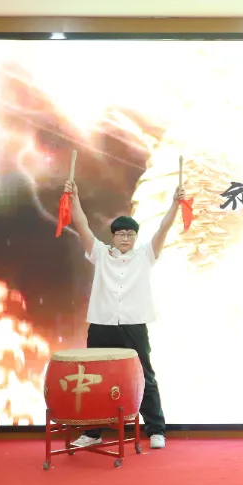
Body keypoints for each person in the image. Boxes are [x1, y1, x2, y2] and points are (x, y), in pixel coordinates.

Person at [64, 178, 182, 450]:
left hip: (133, 325)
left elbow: (164, 228)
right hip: (102, 324)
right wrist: (74, 198)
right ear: (113, 237)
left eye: (130, 234)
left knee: (144, 376)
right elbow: (81, 225)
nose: (126, 238)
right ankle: (92, 432)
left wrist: (175, 204)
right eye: (121, 234)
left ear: (136, 237)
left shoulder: (145, 255)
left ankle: (156, 430)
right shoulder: (100, 254)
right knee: (93, 378)